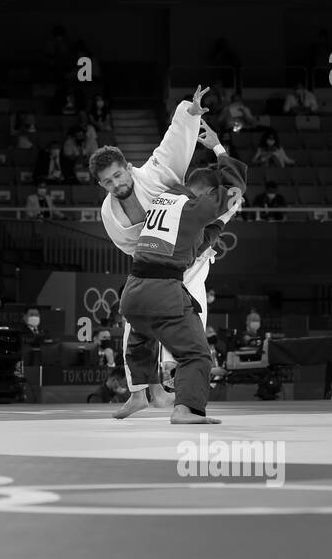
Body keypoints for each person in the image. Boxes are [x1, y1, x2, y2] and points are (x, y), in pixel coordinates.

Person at [94, 86, 238, 412]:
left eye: (118, 175)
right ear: (101, 185)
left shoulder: (155, 173)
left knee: (192, 326)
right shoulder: (109, 214)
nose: (116, 184)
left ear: (128, 167)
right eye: (108, 182)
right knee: (138, 322)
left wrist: (189, 112)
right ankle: (140, 393)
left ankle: (179, 395)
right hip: (157, 268)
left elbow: (172, 141)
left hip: (193, 259)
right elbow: (134, 248)